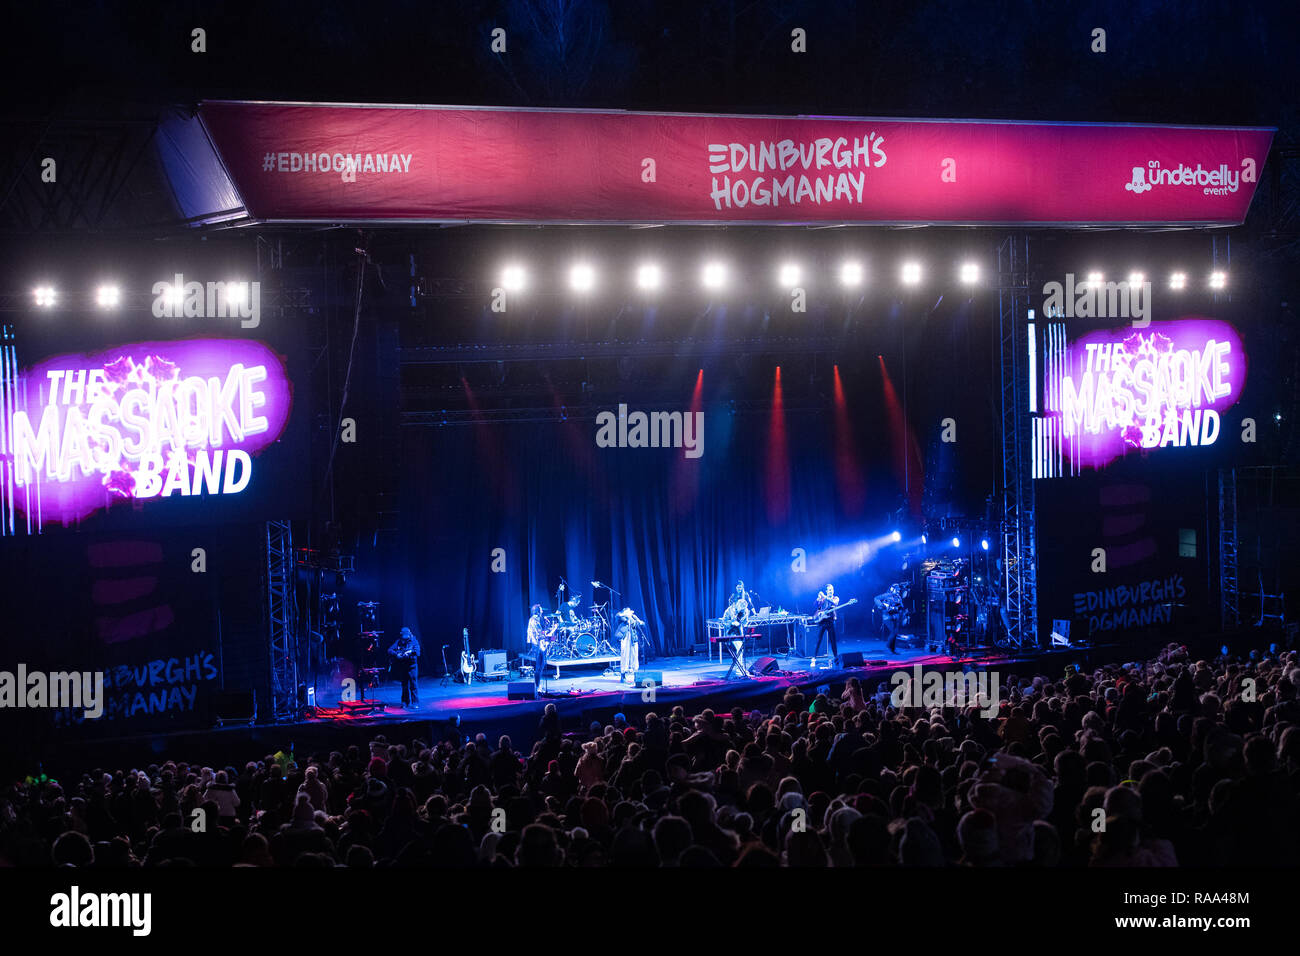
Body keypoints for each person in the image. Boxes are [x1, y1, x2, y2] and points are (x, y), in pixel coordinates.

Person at [387, 627, 421, 708]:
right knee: (404, 685)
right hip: (403, 666)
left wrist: (410, 652)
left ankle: (415, 703)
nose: (405, 639)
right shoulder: (398, 642)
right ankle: (405, 702)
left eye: (406, 637)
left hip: (412, 666)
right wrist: (397, 654)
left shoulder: (414, 641)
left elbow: (418, 652)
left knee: (413, 685)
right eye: (403, 637)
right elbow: (389, 650)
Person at [811, 583, 840, 665]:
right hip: (822, 621)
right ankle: (813, 658)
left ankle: (836, 658)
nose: (831, 591)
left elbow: (835, 603)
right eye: (830, 590)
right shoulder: (823, 599)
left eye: (832, 589)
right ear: (826, 591)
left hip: (831, 621)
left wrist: (824, 596)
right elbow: (816, 606)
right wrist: (818, 599)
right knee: (818, 640)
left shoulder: (835, 598)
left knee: (833, 641)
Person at [526, 604, 548, 687]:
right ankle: (537, 686)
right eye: (541, 610)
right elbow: (540, 634)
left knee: (541, 666)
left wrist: (546, 626)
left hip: (539, 644)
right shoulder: (534, 620)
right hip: (538, 644)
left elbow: (541, 632)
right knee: (539, 666)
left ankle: (537, 685)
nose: (542, 611)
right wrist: (551, 631)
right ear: (538, 611)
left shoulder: (535, 619)